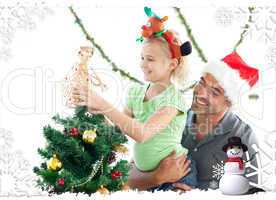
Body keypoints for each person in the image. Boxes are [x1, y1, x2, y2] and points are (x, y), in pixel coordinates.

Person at [70, 7, 198, 191]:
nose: (143, 64)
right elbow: (118, 132)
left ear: (172, 64)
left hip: (179, 174)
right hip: (147, 176)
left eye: (150, 59)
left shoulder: (173, 100)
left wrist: (103, 104)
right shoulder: (135, 93)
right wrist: (92, 107)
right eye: (142, 57)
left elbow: (142, 134)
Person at [127, 51, 262, 194]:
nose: (201, 93)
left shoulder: (243, 138)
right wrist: (156, 178)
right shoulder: (171, 115)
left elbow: (252, 195)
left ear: (229, 102)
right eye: (202, 82)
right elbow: (127, 175)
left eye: (215, 92)